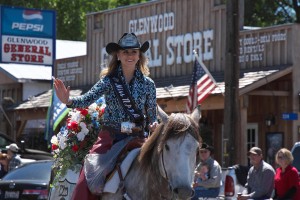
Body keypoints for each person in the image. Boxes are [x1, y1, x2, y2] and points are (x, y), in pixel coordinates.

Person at [54, 33, 157, 200]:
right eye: (125, 52)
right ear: (118, 55)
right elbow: (87, 99)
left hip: (139, 137)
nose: (129, 56)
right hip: (110, 138)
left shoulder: (148, 85)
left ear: (139, 55)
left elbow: (152, 115)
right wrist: (68, 100)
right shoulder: (109, 81)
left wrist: (154, 124)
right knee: (85, 179)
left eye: (133, 52)